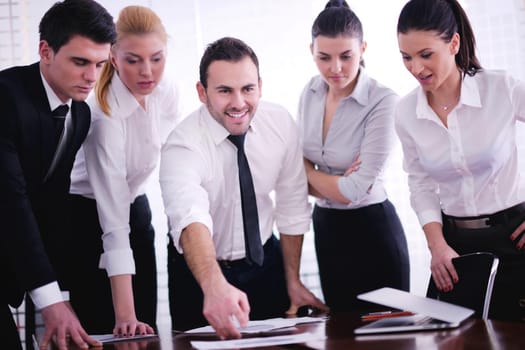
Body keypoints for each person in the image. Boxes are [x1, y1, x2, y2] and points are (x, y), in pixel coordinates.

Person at [159, 36, 328, 339]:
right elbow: (189, 217)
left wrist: (293, 280)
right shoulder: (182, 144)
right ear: (202, 92)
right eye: (224, 91)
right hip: (199, 273)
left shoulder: (280, 123)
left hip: (265, 262)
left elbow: (291, 206)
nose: (238, 103)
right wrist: (213, 286)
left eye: (247, 89)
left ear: (260, 86)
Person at [396, 0, 525, 322]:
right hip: (455, 247)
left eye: (426, 55)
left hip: (515, 237)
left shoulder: (500, 88)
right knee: (455, 339)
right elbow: (420, 182)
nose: (416, 68)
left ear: (453, 43)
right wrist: (436, 246)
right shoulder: (405, 112)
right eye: (406, 57)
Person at [0, 1, 116, 349]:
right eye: (80, 62)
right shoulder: (5, 98)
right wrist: (50, 299)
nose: (91, 77)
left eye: (99, 64)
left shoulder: (78, 116)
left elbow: (51, 206)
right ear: (45, 51)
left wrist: (59, 293)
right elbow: (11, 200)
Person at [67, 5, 183, 336]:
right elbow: (113, 222)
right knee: (109, 325)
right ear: (114, 58)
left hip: (136, 203)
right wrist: (125, 314)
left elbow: (178, 159)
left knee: (146, 326)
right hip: (85, 214)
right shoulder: (103, 116)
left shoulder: (166, 89)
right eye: (133, 60)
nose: (148, 71)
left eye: (157, 58)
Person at [297, 0, 410, 312]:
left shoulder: (384, 101)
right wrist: (331, 181)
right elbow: (292, 175)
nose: (335, 68)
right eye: (324, 57)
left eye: (346, 56)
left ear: (363, 48)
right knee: (341, 335)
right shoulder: (310, 92)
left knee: (389, 336)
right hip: (327, 228)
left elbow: (355, 191)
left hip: (372, 230)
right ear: (311, 51)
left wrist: (307, 172)